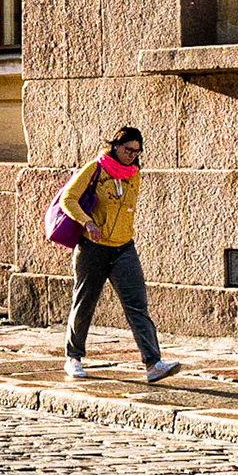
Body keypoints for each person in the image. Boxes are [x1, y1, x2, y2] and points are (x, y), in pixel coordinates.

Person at [61, 125, 181, 383]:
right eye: (128, 149)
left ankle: (153, 364)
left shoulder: (134, 173)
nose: (132, 155)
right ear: (115, 146)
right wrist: (87, 222)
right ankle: (73, 358)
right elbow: (68, 198)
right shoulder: (95, 168)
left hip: (124, 246)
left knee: (137, 305)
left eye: (137, 152)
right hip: (93, 247)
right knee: (85, 302)